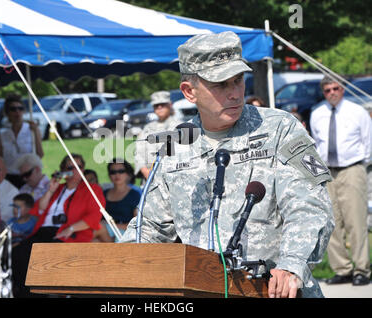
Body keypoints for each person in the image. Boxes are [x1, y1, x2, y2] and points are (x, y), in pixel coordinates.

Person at [120, 31, 334, 298]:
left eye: (238, 80)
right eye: (220, 84)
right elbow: (151, 227)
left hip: (273, 289)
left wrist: (291, 263)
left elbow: (310, 207)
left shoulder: (279, 128)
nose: (234, 93)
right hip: (201, 290)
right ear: (189, 91)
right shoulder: (175, 145)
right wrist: (120, 269)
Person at [11, 153, 105, 297]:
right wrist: (50, 190)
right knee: (18, 254)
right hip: (44, 231)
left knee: (41, 258)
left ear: (83, 169)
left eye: (78, 167)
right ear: (63, 170)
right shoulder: (58, 189)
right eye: (69, 167)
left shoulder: (91, 189)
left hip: (68, 233)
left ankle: (37, 294)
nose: (74, 171)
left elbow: (94, 216)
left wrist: (71, 228)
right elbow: (38, 210)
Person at [310, 76, 371, 286]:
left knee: (356, 221)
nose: (332, 93)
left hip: (352, 169)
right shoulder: (317, 114)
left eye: (336, 88)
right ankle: (342, 269)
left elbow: (368, 141)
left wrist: (361, 166)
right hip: (327, 171)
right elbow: (315, 146)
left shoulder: (357, 112)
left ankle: (362, 269)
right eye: (327, 90)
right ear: (323, 92)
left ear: (342, 89)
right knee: (331, 222)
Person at [134, 91, 182, 180]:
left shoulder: (180, 127)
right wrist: (145, 171)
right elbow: (138, 153)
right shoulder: (147, 128)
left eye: (163, 104)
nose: (159, 107)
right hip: (149, 179)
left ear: (170, 105)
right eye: (156, 105)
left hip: (173, 178)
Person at [0, 93, 44, 188]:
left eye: (20, 108)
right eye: (13, 109)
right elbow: (0, 158)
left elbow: (40, 154)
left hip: (28, 176)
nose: (17, 112)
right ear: (7, 113)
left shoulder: (32, 130)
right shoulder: (3, 134)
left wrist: (36, 131)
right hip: (9, 177)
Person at [94, 159, 141, 242]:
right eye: (113, 172)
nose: (117, 175)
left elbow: (137, 224)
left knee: (98, 229)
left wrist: (113, 225)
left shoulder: (135, 194)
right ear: (109, 175)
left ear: (127, 174)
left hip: (125, 233)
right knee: (93, 241)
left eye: (121, 171)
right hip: (105, 233)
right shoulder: (104, 193)